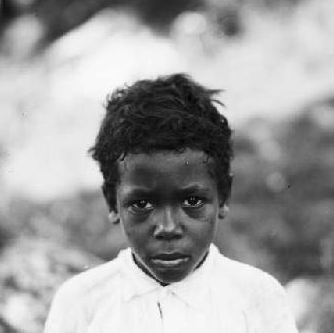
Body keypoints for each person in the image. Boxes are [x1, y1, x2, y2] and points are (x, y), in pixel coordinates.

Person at [44, 74, 299, 333]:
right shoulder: (81, 304)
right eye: (142, 204)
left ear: (223, 195)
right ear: (112, 202)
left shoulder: (257, 298)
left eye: (192, 201)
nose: (168, 227)